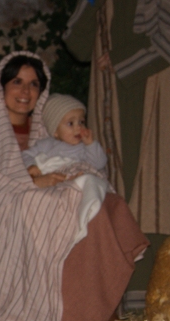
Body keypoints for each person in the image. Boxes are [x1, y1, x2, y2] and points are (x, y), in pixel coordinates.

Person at [0, 52, 149, 321]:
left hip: (43, 202)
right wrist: (32, 184)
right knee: (59, 205)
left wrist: (70, 178)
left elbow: (69, 163)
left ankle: (93, 311)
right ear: (2, 86)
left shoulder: (45, 135)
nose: (25, 91)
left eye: (34, 85)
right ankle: (68, 313)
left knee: (98, 203)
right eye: (18, 81)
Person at [64, 0, 170, 291]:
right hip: (114, 117)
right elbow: (77, 44)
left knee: (167, 203)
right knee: (122, 210)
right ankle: (131, 314)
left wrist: (124, 58)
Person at [22, 93, 111, 246]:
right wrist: (31, 166)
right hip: (54, 180)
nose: (78, 127)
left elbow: (99, 163)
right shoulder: (46, 144)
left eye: (81, 122)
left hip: (76, 175)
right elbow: (24, 155)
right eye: (71, 123)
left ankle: (88, 214)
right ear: (55, 131)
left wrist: (90, 144)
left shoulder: (84, 148)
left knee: (89, 180)